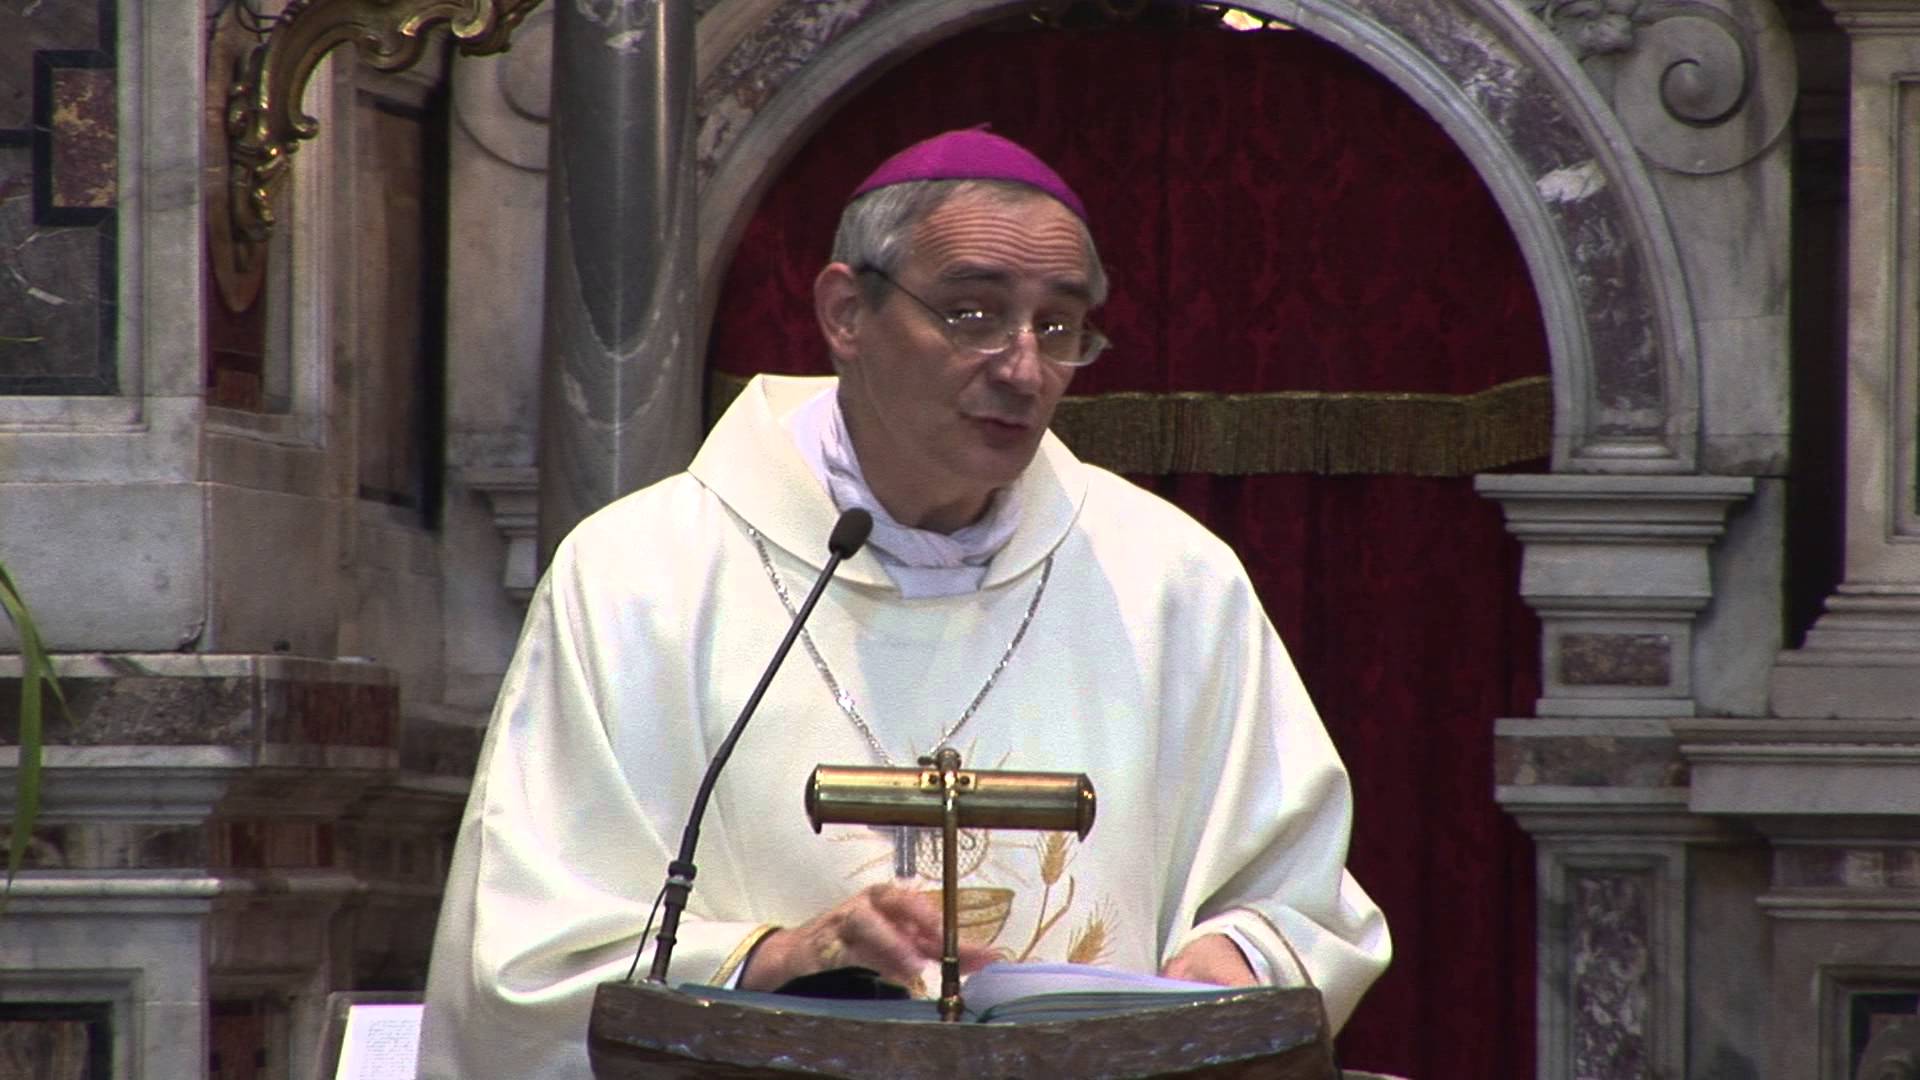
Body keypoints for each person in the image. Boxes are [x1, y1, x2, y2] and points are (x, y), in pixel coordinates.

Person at [416, 128, 1390, 1078]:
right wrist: (777, 957)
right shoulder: (642, 578)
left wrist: (1232, 961)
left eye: (1058, 325)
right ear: (846, 313)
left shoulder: (1173, 583)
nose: (1023, 367)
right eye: (973, 313)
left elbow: (1298, 898)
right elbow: (531, 950)